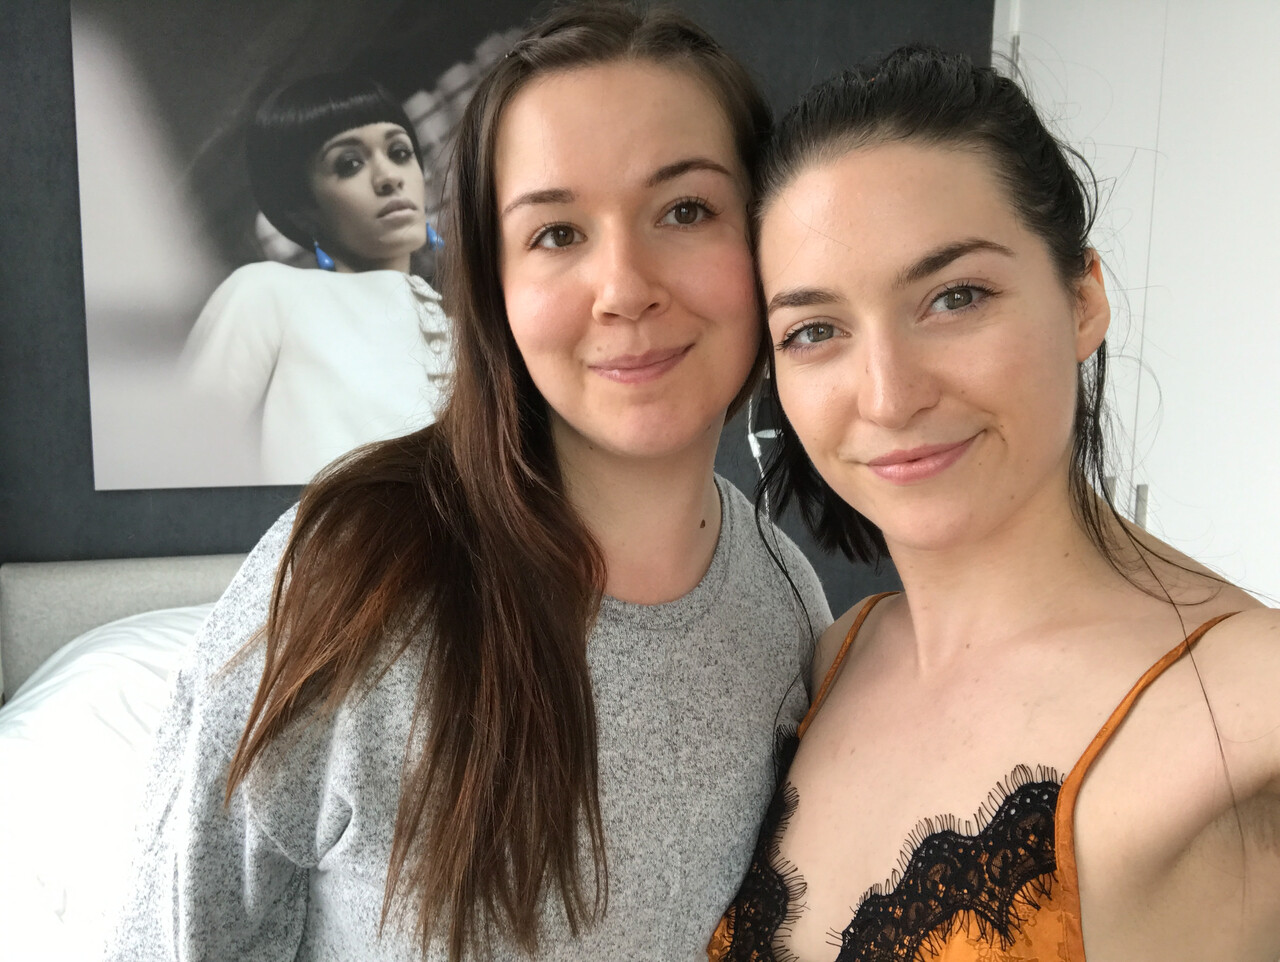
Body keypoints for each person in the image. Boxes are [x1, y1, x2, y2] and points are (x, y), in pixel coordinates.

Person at [107, 5, 830, 961]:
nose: (624, 288)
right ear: (495, 285)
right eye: (557, 232)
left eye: (686, 210)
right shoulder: (347, 576)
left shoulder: (786, 602)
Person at [710, 47, 1280, 961]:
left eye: (955, 297)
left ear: (1083, 298)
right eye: (815, 331)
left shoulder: (1249, 702)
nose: (889, 396)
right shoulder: (831, 658)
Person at [181, 73, 451, 485]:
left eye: (399, 152)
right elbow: (182, 453)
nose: (389, 177)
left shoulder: (469, 335)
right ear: (302, 211)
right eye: (349, 164)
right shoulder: (269, 294)